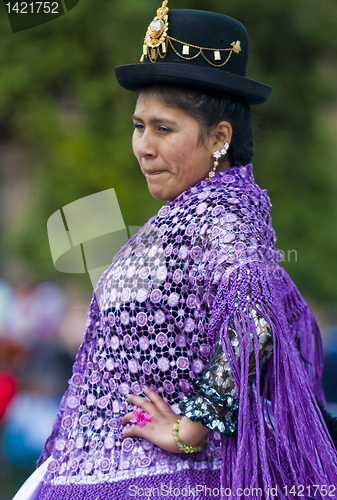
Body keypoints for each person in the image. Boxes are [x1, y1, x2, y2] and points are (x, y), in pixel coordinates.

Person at [14, 2, 337, 500]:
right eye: (138, 126)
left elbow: (256, 321)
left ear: (219, 138)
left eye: (163, 128)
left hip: (168, 479)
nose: (143, 146)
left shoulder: (220, 212)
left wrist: (191, 428)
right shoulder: (190, 213)